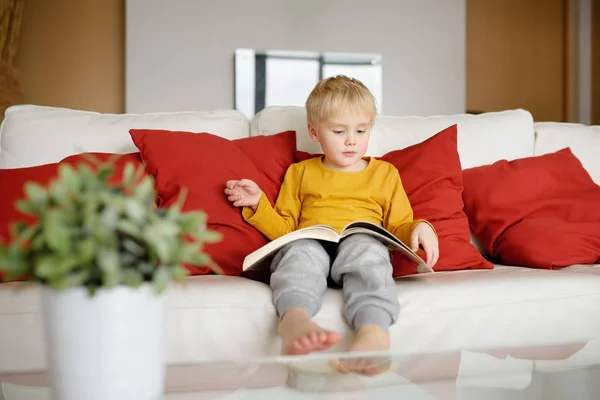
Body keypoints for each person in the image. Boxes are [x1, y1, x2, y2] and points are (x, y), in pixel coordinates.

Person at [224, 75, 439, 375]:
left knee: (367, 250)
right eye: (339, 131)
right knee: (300, 251)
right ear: (314, 131)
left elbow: (399, 226)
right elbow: (286, 229)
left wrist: (420, 227)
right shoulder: (300, 172)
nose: (351, 140)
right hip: (312, 243)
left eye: (361, 130)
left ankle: (373, 331)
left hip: (360, 243)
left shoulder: (386, 174)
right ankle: (294, 320)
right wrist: (258, 204)